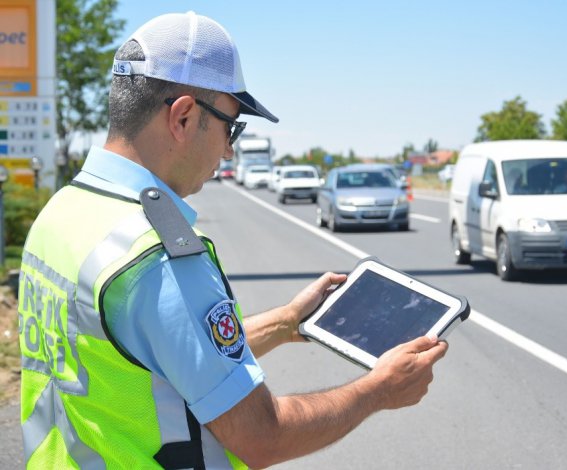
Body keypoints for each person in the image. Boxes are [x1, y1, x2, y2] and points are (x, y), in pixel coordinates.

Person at [17, 11, 448, 469]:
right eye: (231, 127)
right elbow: (263, 436)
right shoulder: (156, 256)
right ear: (183, 117)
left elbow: (152, 355)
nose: (229, 151)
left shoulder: (64, 211)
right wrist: (377, 390)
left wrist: (285, 323)